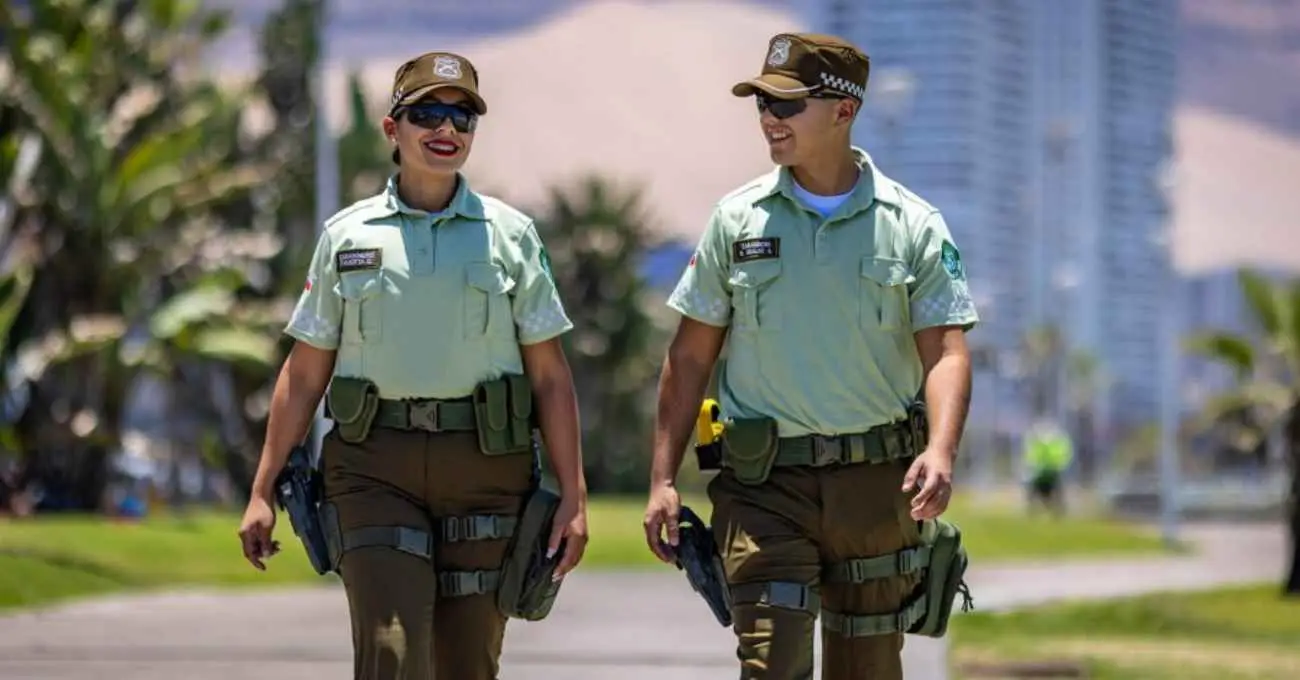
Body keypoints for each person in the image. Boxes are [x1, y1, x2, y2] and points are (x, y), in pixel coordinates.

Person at [237, 50, 589, 680]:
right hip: (373, 471)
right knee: (392, 654)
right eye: (426, 114)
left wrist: (574, 497)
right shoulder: (347, 236)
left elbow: (550, 378)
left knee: (467, 664)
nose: (446, 129)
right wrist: (262, 490)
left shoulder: (511, 236)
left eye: (462, 117)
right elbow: (305, 372)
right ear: (391, 129)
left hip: (487, 470)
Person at [642, 33, 979, 680]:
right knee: (770, 664)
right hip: (764, 487)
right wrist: (662, 480)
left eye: (787, 104)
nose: (769, 117)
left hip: (878, 488)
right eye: (762, 103)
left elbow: (947, 352)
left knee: (868, 669)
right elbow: (688, 359)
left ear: (844, 111)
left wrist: (941, 451)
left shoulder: (913, 225)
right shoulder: (736, 221)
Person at [1022, 417, 1073, 516]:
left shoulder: (1056, 441)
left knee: (1056, 488)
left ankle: (1057, 509)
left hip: (1052, 471)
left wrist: (1057, 465)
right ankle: (1034, 509)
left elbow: (1063, 456)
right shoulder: (1039, 442)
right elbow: (1031, 456)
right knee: (1034, 487)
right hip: (1041, 471)